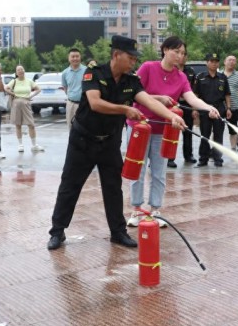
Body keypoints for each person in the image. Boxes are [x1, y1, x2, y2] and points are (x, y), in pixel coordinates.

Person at [47, 36, 187, 251]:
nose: (134, 63)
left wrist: (171, 117)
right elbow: (95, 102)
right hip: (83, 140)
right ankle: (57, 232)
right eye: (130, 58)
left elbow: (147, 100)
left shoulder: (131, 81)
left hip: (110, 142)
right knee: (70, 186)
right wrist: (125, 109)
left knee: (113, 188)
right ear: (116, 55)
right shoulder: (94, 72)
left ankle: (118, 232)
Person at [127, 37, 220, 227]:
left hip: (163, 130)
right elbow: (133, 94)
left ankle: (155, 210)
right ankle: (136, 209)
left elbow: (191, 98)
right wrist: (159, 99)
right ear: (165, 50)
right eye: (176, 51)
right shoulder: (147, 68)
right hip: (140, 127)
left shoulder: (181, 77)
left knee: (160, 172)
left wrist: (208, 107)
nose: (180, 56)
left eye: (183, 53)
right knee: (138, 168)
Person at [194, 53, 230, 167]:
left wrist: (228, 108)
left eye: (216, 61)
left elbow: (227, 95)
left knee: (218, 135)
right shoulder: (200, 77)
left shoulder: (223, 77)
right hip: (205, 108)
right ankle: (203, 159)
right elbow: (195, 94)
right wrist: (195, 109)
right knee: (205, 135)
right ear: (207, 62)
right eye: (211, 61)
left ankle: (217, 158)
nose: (214, 63)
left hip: (219, 108)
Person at [168, 49, 197, 167]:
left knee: (188, 131)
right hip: (172, 106)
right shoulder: (170, 70)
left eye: (185, 54)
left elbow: (193, 90)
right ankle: (169, 157)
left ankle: (188, 155)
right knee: (171, 132)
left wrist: (194, 108)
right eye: (180, 54)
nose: (182, 57)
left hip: (187, 106)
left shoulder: (190, 72)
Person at [6, 65, 43, 152]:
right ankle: (20, 145)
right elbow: (6, 88)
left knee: (31, 124)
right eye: (18, 70)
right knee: (18, 124)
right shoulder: (14, 81)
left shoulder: (29, 81)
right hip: (16, 103)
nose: (20, 71)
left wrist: (31, 96)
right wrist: (13, 94)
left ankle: (34, 145)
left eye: (22, 69)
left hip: (26, 103)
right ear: (16, 73)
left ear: (24, 70)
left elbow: (38, 89)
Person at [223, 55, 238, 150]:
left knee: (233, 129)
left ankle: (233, 148)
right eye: (229, 60)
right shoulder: (219, 74)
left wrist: (236, 98)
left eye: (234, 60)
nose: (231, 62)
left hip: (233, 107)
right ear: (225, 62)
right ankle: (214, 150)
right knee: (216, 130)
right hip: (219, 106)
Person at [61, 48, 86, 129]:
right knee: (71, 128)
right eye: (73, 56)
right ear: (69, 58)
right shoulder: (65, 73)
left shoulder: (86, 70)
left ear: (80, 57)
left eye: (77, 56)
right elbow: (65, 87)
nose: (75, 58)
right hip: (71, 104)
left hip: (84, 104)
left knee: (85, 127)